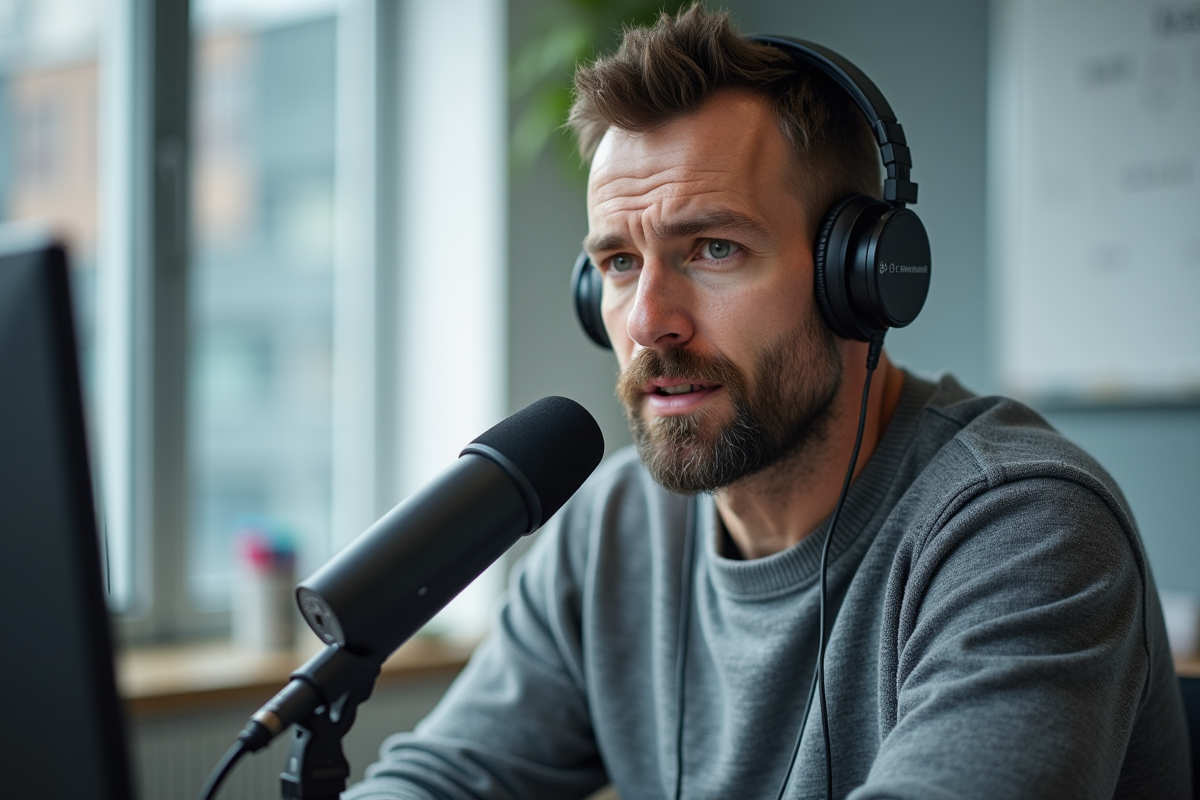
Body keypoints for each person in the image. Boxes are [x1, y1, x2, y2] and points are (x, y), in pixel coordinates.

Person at [345, 7, 1190, 799]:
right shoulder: (611, 532)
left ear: (858, 275)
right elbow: (440, 776)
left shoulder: (1021, 530)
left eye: (713, 248)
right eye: (619, 264)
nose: (648, 323)